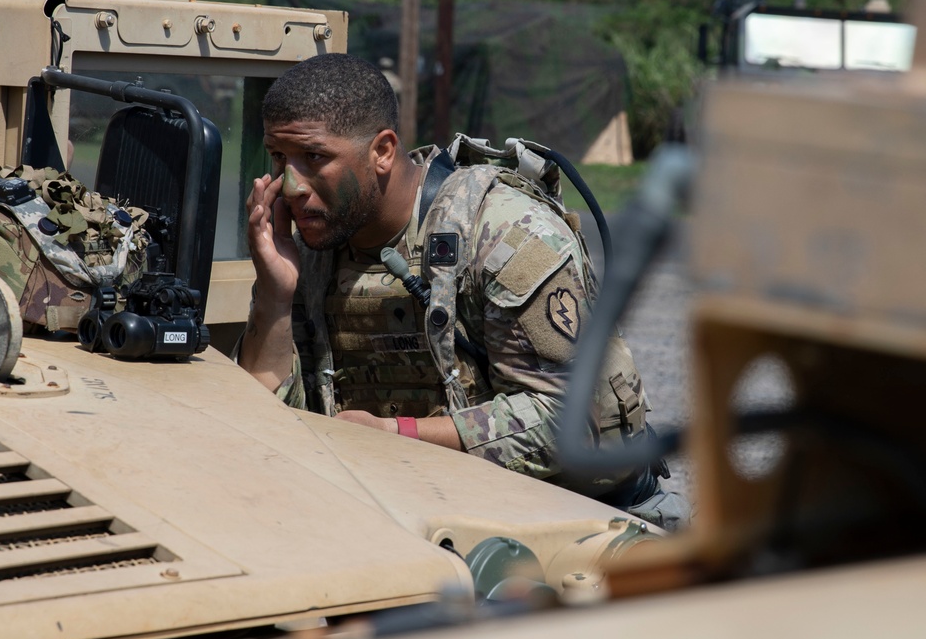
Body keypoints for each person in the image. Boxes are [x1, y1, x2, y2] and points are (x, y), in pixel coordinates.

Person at [237, 54, 687, 530]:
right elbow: (262, 422)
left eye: (314, 158)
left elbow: (571, 422)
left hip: (571, 521)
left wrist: (394, 434)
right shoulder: (309, 245)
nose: (290, 185)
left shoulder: (506, 233)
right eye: (279, 158)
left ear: (383, 151)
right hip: (413, 513)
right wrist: (275, 293)